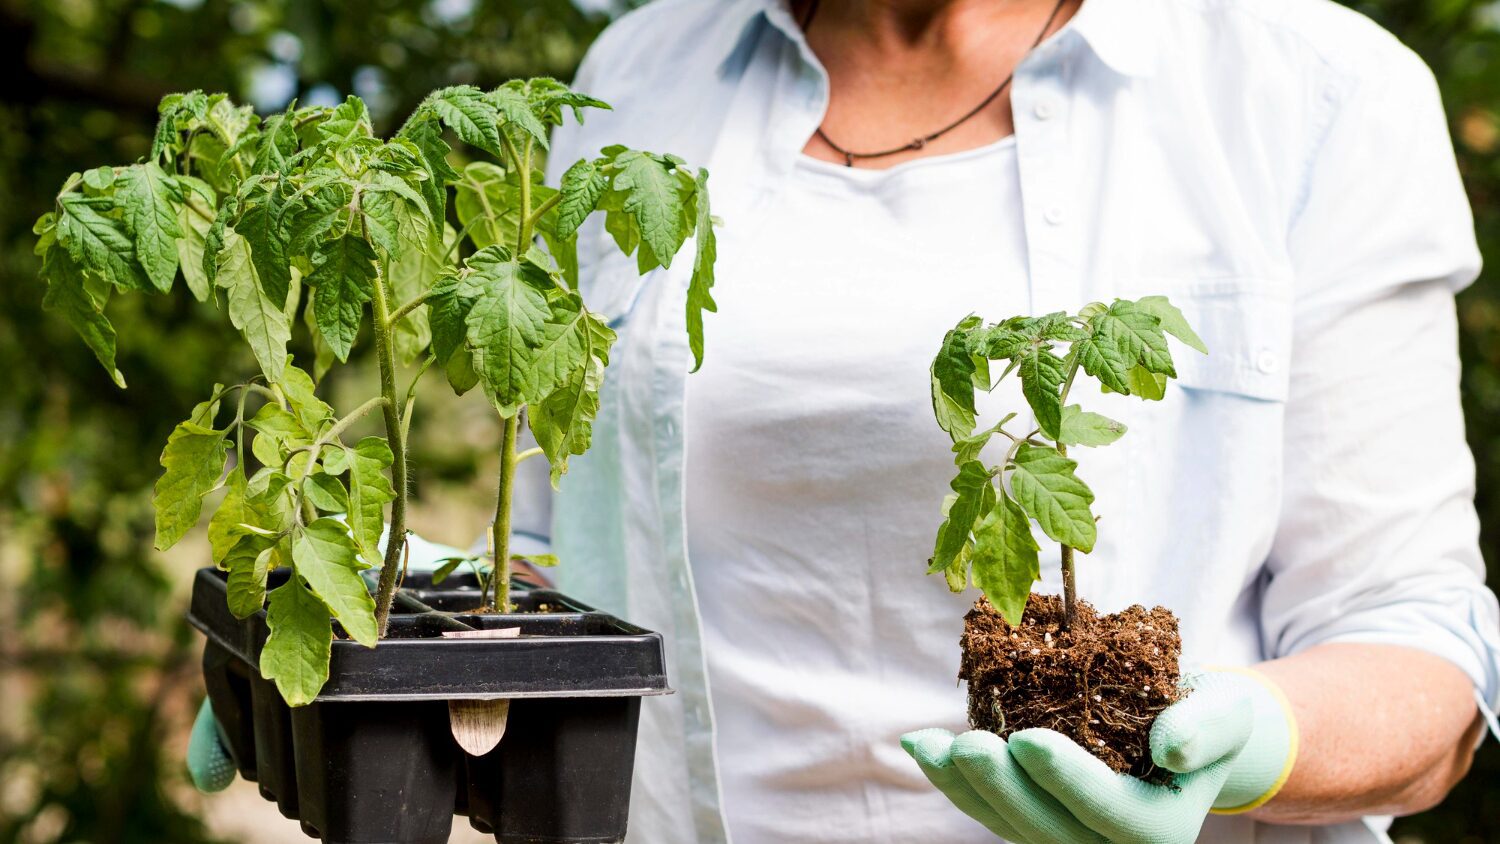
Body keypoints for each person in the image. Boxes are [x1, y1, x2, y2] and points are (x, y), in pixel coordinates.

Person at [192, 0, 1500, 842]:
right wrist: (399, 635)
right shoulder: (643, 72)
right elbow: (574, 548)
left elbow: (1423, 669)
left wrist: (1241, 735)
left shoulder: (1305, 89)